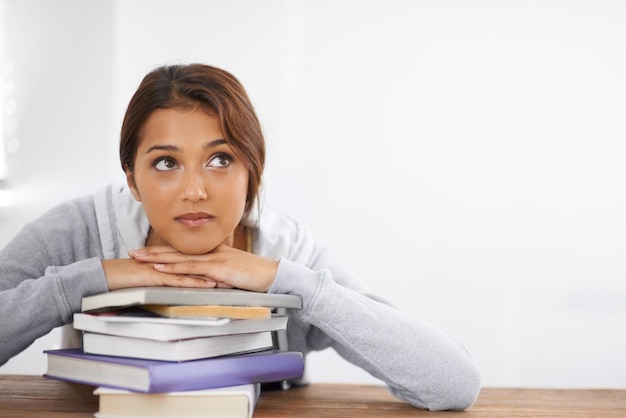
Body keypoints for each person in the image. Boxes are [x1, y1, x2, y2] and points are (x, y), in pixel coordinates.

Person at [0, 63, 481, 411]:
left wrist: (291, 284)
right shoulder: (81, 229)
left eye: (220, 160)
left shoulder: (285, 249)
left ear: (253, 171)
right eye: (166, 163)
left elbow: (454, 383)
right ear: (131, 178)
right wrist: (92, 278)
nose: (194, 190)